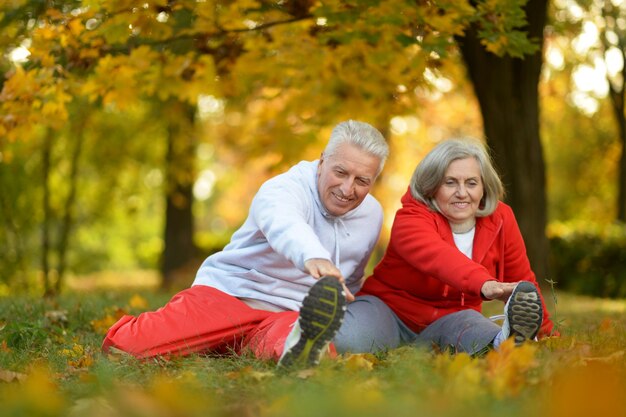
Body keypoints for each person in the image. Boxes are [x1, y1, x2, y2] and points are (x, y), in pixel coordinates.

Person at [102, 120, 390, 367]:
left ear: (373, 180)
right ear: (322, 160)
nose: (347, 189)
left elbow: (349, 278)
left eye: (362, 180)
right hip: (232, 297)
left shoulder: (372, 215)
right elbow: (285, 223)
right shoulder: (283, 189)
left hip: (290, 315)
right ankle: (196, 335)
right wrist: (314, 257)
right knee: (126, 350)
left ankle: (243, 344)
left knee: (310, 354)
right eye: (340, 172)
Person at [334, 138, 557, 356]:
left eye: (471, 183)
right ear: (432, 186)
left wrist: (548, 336)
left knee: (476, 332)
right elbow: (439, 257)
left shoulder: (501, 219)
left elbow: (522, 280)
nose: (462, 192)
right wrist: (485, 284)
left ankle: (504, 343)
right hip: (389, 311)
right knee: (346, 340)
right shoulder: (411, 217)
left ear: (483, 187)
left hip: (453, 318)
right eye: (450, 182)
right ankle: (306, 338)